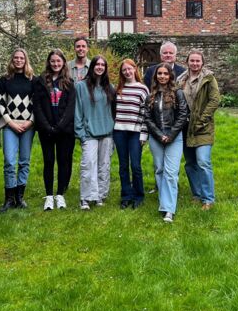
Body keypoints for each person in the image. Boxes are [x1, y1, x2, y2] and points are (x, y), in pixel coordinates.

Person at [176, 50, 220, 210]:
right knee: (190, 163)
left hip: (203, 127)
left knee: (203, 162)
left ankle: (208, 199)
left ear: (202, 63)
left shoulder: (209, 78)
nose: (195, 64)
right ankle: (197, 194)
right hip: (185, 128)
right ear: (187, 62)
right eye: (192, 61)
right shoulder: (181, 80)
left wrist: (202, 120)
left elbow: (215, 100)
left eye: (198, 61)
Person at [145, 64, 189, 223]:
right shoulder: (151, 95)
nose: (162, 76)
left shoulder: (178, 93)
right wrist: (158, 135)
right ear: (155, 76)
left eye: (165, 74)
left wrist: (170, 135)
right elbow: (147, 118)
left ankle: (168, 209)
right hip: (156, 137)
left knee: (171, 172)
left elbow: (183, 115)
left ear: (170, 76)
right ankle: (164, 200)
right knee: (160, 169)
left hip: (174, 137)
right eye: (159, 74)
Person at [33, 49, 76, 211]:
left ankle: (60, 195)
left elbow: (70, 108)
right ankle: (49, 196)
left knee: (64, 161)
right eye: (53, 61)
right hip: (46, 130)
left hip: (65, 131)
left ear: (63, 62)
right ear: (49, 62)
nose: (56, 64)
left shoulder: (69, 83)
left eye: (58, 61)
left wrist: (59, 126)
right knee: (49, 161)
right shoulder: (40, 81)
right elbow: (37, 106)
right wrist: (47, 126)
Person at [74, 55, 116, 210]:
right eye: (97, 64)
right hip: (88, 133)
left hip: (107, 133)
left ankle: (100, 195)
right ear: (92, 67)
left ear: (105, 68)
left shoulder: (109, 87)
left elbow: (114, 111)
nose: (99, 67)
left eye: (102, 65)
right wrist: (81, 133)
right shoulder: (80, 86)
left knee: (104, 165)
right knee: (88, 165)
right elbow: (77, 110)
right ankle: (86, 198)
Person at [0, 48, 35, 213]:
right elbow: (0, 102)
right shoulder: (5, 80)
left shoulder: (33, 80)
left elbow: (37, 103)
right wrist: (9, 122)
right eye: (16, 58)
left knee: (24, 161)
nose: (19, 60)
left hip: (28, 126)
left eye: (22, 58)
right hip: (10, 125)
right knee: (10, 162)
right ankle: (9, 198)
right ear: (12, 60)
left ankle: (20, 197)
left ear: (26, 60)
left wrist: (31, 121)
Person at [113, 59, 149, 209]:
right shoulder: (119, 89)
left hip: (135, 133)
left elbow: (146, 114)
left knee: (135, 165)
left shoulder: (142, 89)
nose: (127, 72)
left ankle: (138, 195)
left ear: (135, 69)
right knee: (123, 166)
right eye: (124, 70)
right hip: (120, 131)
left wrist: (144, 134)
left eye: (129, 69)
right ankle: (126, 195)